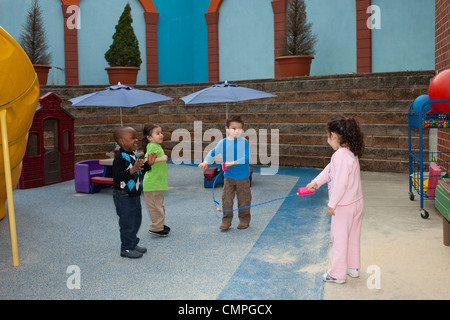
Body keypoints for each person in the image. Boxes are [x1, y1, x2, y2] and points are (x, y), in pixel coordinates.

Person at [306, 116, 365, 284]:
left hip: (343, 206)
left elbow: (340, 183)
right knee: (352, 236)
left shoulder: (340, 155)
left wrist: (332, 204)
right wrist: (316, 182)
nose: (327, 140)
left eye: (327, 136)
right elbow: (330, 170)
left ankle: (337, 274)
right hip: (356, 203)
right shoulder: (350, 151)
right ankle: (352, 267)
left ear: (333, 135)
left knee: (338, 239)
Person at [198, 115, 251, 230]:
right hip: (228, 177)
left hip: (242, 177)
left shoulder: (244, 142)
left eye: (239, 128)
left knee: (244, 200)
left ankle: (244, 220)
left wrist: (231, 163)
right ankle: (226, 221)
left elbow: (246, 158)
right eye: (233, 128)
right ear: (227, 128)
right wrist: (205, 161)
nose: (236, 131)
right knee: (227, 200)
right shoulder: (223, 143)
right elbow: (212, 153)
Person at [112, 126, 156, 259]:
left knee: (136, 220)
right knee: (127, 222)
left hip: (134, 194)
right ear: (122, 141)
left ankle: (132, 243)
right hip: (123, 195)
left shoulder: (132, 154)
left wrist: (148, 164)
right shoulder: (120, 157)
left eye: (136, 137)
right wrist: (133, 169)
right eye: (132, 138)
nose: (136, 140)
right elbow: (118, 176)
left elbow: (139, 170)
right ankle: (126, 248)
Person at [142, 123, 171, 237]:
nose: (161, 135)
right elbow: (146, 160)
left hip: (156, 182)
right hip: (152, 183)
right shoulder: (152, 146)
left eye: (161, 133)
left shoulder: (156, 146)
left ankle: (159, 224)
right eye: (157, 133)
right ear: (149, 137)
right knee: (155, 206)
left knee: (159, 205)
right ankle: (156, 228)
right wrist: (161, 158)